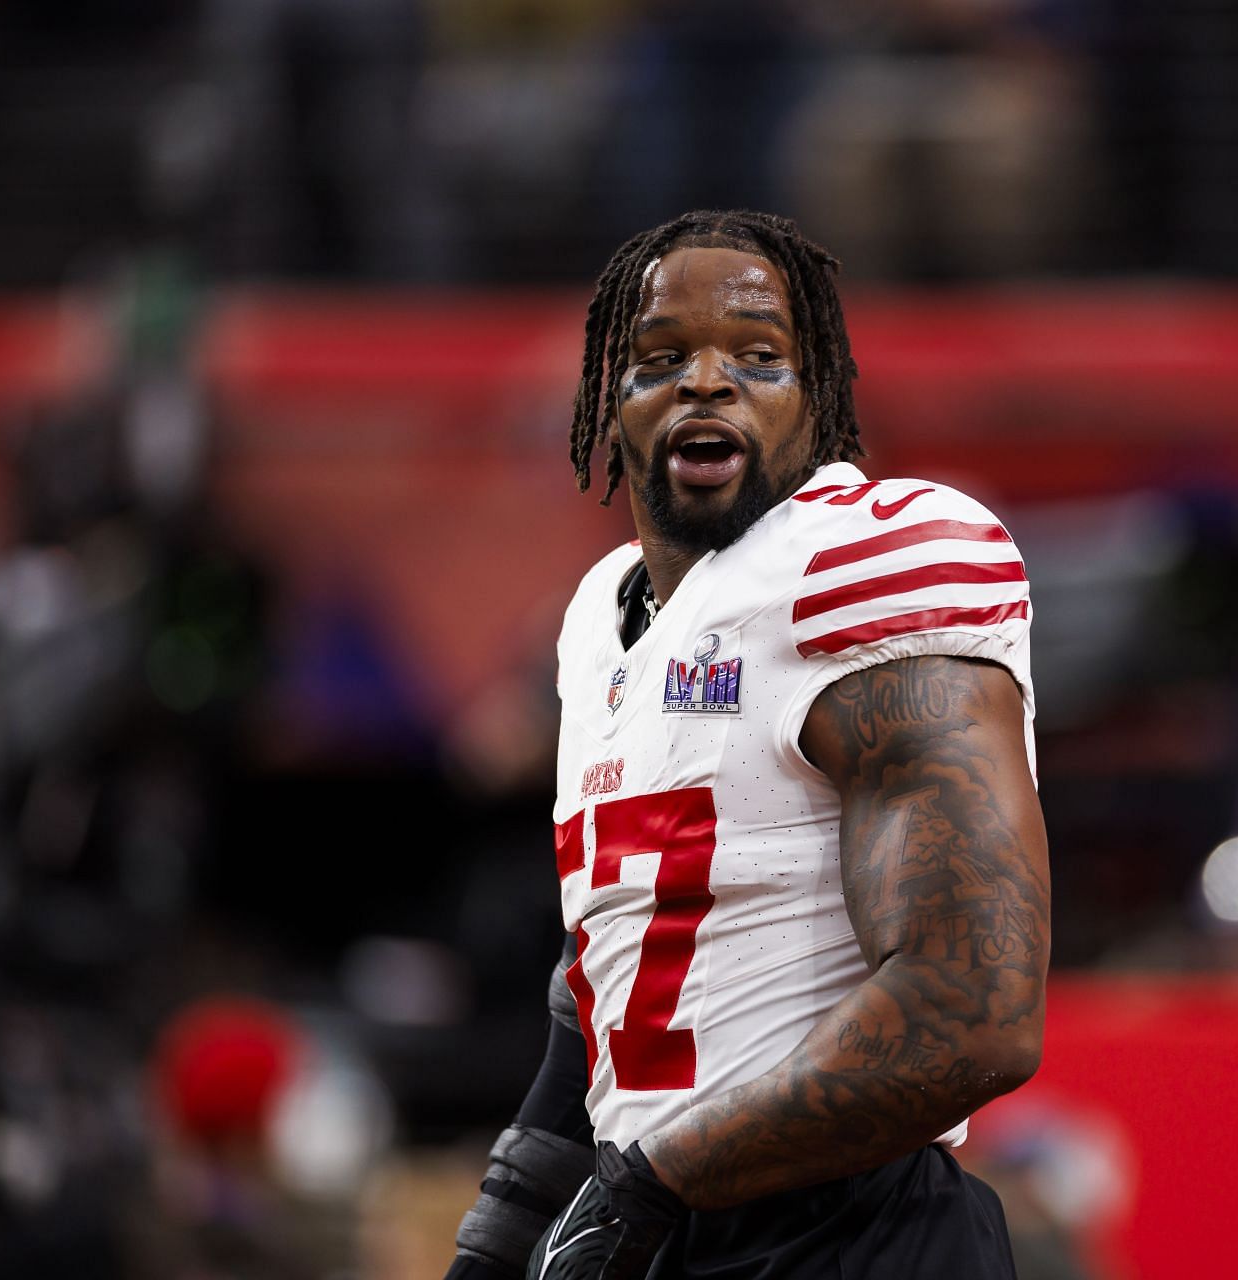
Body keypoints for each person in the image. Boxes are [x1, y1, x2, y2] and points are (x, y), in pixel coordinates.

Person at [445, 210, 1049, 1280]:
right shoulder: (599, 617)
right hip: (681, 1230)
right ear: (604, 402)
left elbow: (973, 1009)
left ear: (817, 402)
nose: (707, 382)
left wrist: (651, 1180)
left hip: (854, 1233)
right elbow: (617, 967)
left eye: (759, 356)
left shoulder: (866, 561)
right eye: (659, 359)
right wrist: (500, 1235)